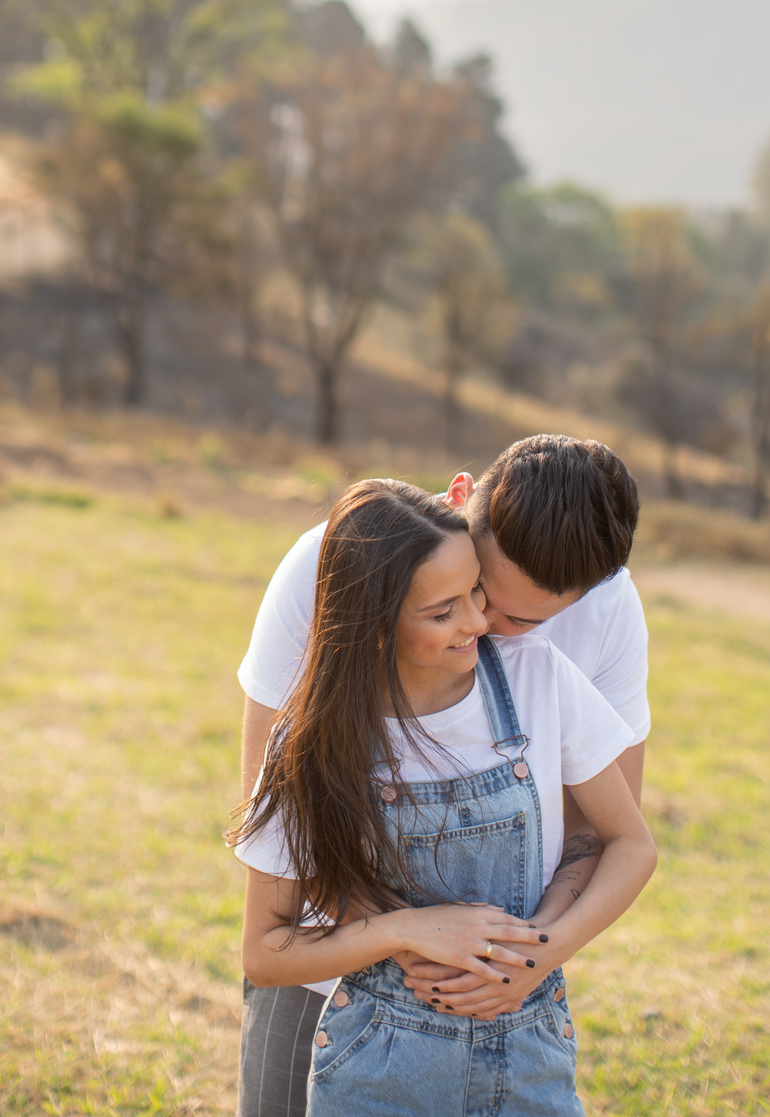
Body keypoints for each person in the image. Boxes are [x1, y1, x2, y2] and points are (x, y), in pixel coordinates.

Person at [234, 433, 650, 1117]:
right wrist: (411, 942)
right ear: (460, 504)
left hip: (500, 993)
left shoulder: (589, 628)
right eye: (475, 591)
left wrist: (527, 957)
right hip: (330, 968)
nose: (484, 624)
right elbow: (278, 800)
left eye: (521, 620)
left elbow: (607, 833)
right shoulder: (334, 561)